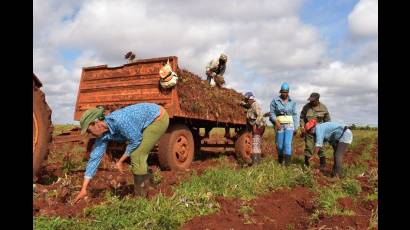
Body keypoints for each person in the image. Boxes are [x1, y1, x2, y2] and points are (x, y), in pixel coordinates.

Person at [73, 103, 169, 204]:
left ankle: (141, 198)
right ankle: (151, 187)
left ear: (95, 122)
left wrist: (120, 161)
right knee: (138, 155)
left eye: (88, 130)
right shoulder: (102, 136)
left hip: (158, 118)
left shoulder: (119, 120)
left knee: (137, 154)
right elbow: (95, 158)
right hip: (146, 121)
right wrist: (84, 188)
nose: (89, 134)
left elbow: (135, 140)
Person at [299, 92, 331, 170]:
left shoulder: (323, 108)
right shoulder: (306, 107)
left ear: (317, 100)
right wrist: (302, 127)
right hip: (309, 132)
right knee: (308, 148)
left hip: (320, 132)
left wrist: (326, 133)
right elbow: (302, 117)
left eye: (313, 101)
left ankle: (323, 166)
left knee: (321, 148)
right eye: (310, 100)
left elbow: (328, 121)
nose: (311, 102)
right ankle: (306, 167)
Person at [269, 83, 298, 166]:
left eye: (286, 92)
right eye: (283, 92)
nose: (284, 94)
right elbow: (272, 113)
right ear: (280, 91)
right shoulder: (275, 101)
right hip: (279, 125)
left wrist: (296, 127)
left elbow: (295, 114)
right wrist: (276, 122)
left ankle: (287, 165)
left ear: (288, 92)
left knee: (287, 144)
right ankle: (280, 161)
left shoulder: (292, 102)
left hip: (290, 125)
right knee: (280, 145)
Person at [241, 91, 267, 165]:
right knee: (255, 142)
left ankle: (256, 163)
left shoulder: (255, 105)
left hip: (259, 126)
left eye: (247, 99)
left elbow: (260, 115)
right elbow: (245, 105)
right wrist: (240, 103)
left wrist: (255, 124)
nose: (246, 101)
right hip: (255, 126)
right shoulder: (250, 105)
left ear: (251, 99)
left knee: (255, 142)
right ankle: (255, 161)